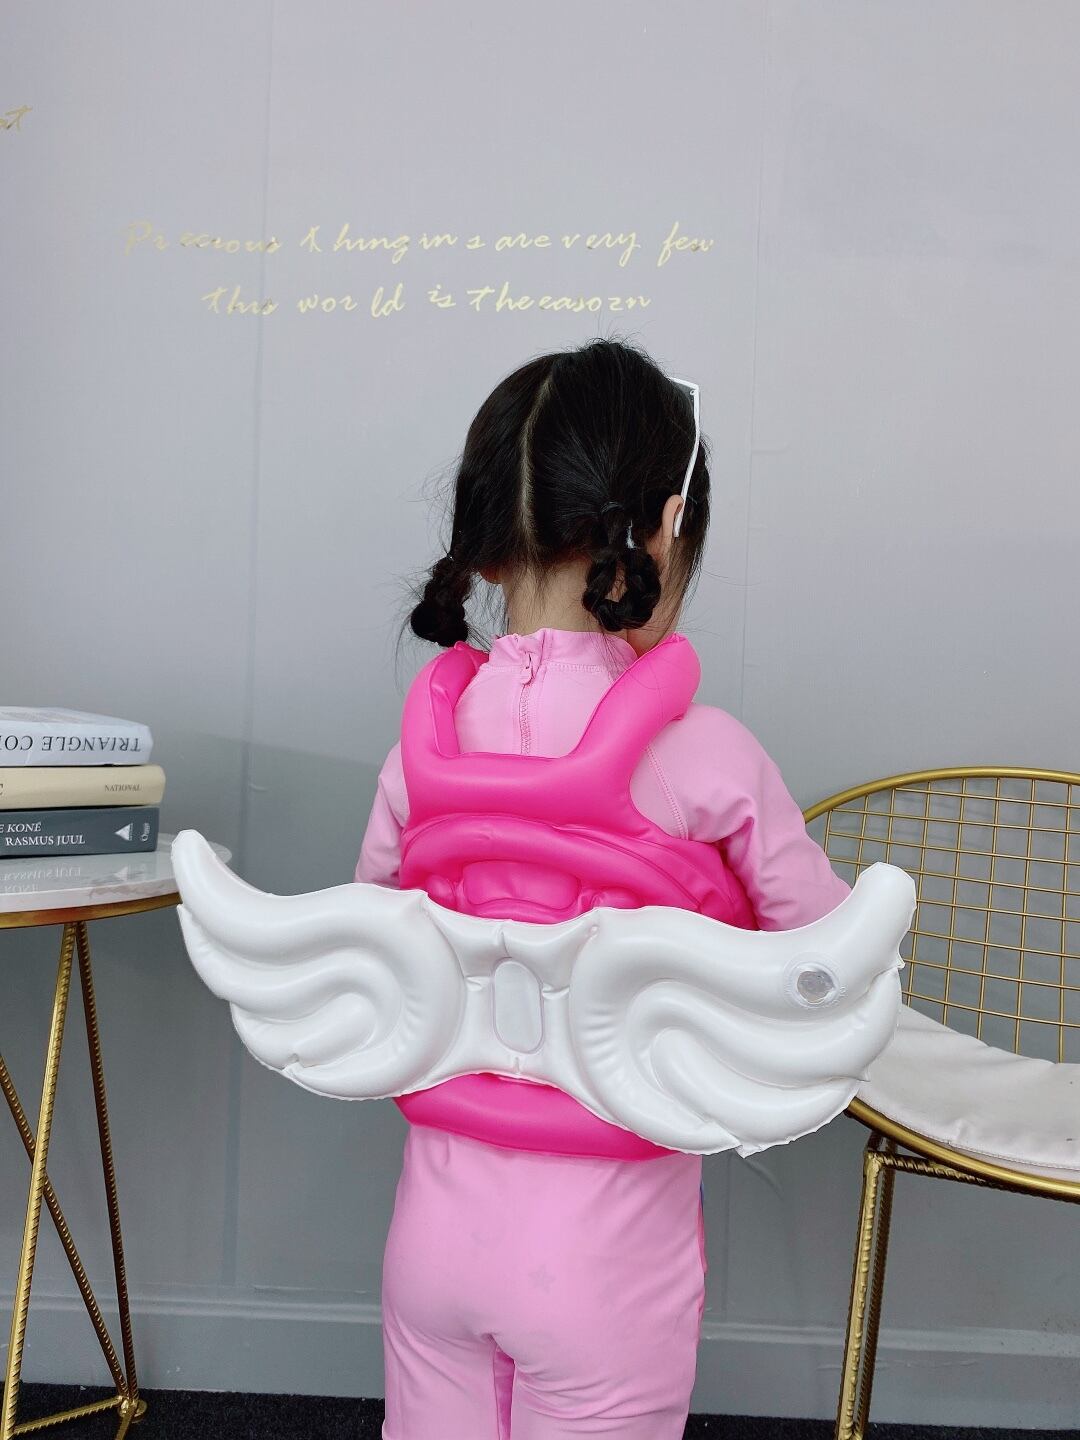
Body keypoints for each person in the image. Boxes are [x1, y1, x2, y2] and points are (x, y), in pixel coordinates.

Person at [355, 337, 850, 1440]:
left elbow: (375, 948)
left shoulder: (423, 757)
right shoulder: (704, 757)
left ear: (485, 550)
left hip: (431, 1243)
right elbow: (824, 955)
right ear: (666, 528)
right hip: (606, 1263)